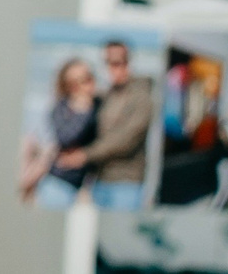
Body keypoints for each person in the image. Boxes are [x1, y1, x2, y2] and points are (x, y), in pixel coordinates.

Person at [76, 41, 159, 209]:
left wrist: (84, 155)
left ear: (128, 61)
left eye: (118, 62)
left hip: (126, 183)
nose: (113, 67)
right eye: (108, 62)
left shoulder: (142, 95)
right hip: (99, 181)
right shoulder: (106, 95)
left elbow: (125, 140)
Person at [23, 59, 98, 207]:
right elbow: (65, 138)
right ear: (69, 86)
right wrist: (83, 110)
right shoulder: (62, 107)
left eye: (88, 78)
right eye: (77, 82)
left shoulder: (98, 104)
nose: (85, 85)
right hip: (58, 180)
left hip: (83, 183)